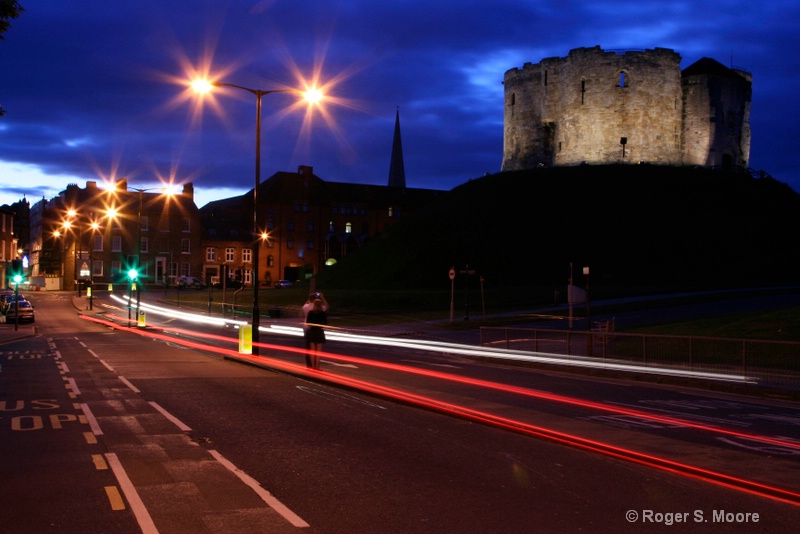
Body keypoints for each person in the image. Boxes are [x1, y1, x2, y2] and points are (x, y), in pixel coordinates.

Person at [304, 298, 328, 369]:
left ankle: (313, 366)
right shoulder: (323, 313)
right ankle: (317, 366)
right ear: (321, 305)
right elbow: (325, 323)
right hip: (319, 332)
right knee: (318, 351)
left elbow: (308, 323)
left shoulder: (310, 312)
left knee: (312, 350)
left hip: (312, 332)